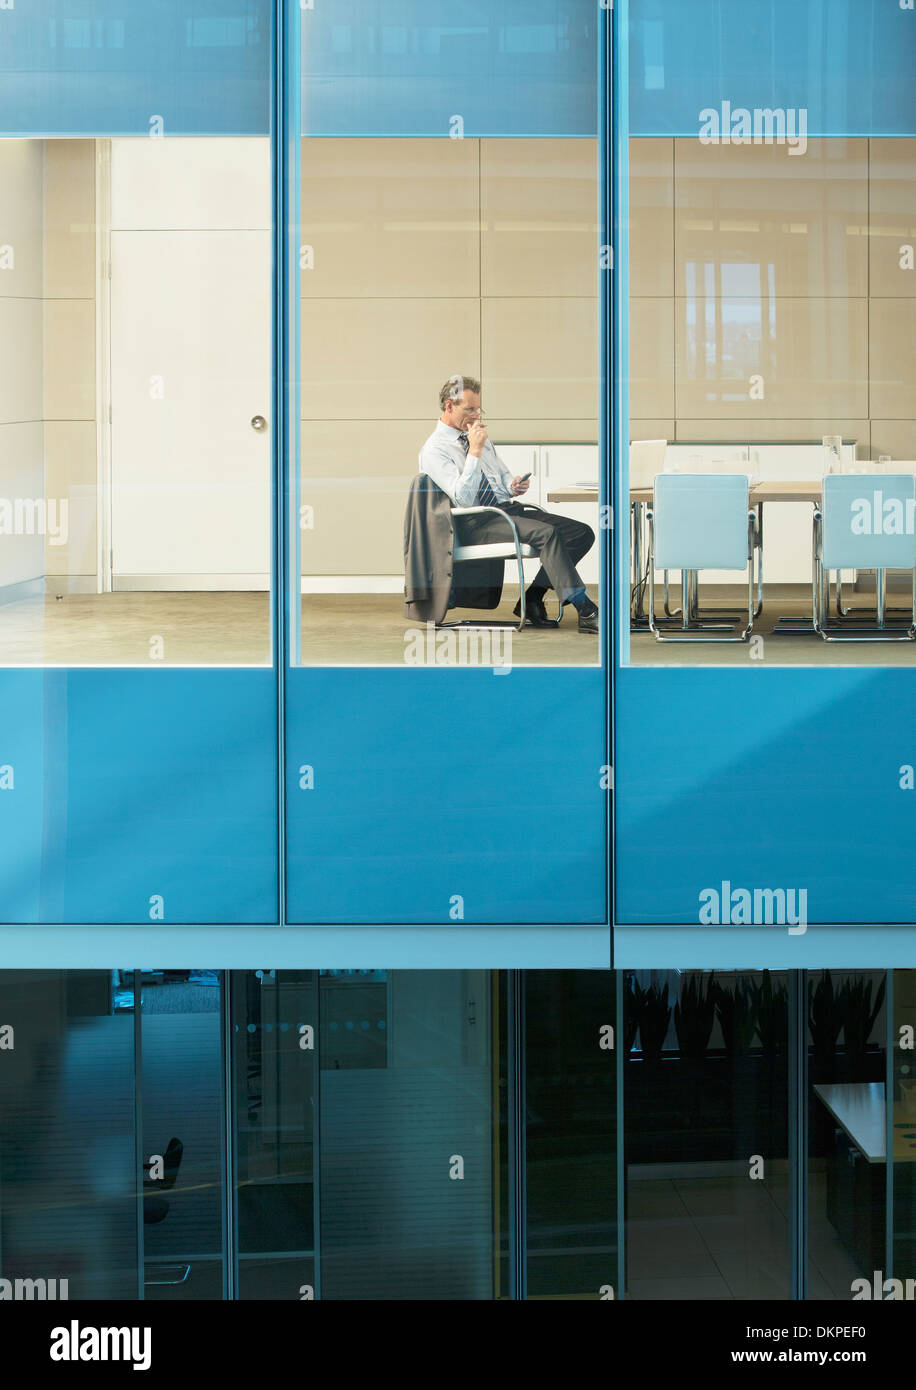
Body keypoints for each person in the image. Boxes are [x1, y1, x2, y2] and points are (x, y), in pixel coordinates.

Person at [418, 375, 599, 633]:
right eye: (469, 409)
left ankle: (533, 598)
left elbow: (499, 477)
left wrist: (511, 485)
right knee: (547, 534)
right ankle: (585, 608)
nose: (475, 414)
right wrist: (474, 452)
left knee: (580, 533)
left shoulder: (477, 436)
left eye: (478, 408)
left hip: (505, 511)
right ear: (449, 406)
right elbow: (464, 498)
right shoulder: (435, 450)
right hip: (475, 523)